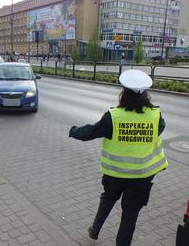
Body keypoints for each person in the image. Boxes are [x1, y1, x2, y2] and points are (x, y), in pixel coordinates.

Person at [69, 69, 168, 246]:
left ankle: (95, 229)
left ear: (123, 93)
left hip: (115, 175)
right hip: (142, 177)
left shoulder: (113, 117)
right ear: (145, 95)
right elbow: (159, 129)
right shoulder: (155, 115)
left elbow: (91, 132)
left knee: (108, 198)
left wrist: (74, 131)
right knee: (130, 215)